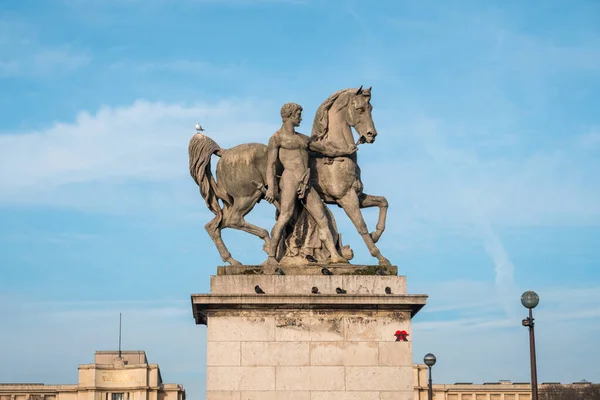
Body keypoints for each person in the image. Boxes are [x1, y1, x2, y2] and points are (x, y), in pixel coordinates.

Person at [263, 102, 355, 265]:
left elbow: (325, 150)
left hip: (305, 181)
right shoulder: (276, 138)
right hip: (290, 178)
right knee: (285, 216)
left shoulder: (303, 139)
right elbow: (270, 165)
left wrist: (346, 151)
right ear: (289, 116)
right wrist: (271, 188)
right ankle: (271, 257)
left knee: (321, 216)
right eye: (298, 114)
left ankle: (334, 255)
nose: (301, 117)